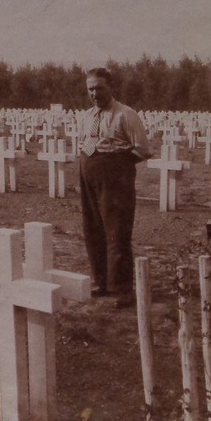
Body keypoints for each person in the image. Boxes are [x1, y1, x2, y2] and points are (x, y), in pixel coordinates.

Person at [75, 67, 150, 307]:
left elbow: (142, 149)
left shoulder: (125, 115)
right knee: (93, 229)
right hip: (89, 175)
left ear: (111, 87)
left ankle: (123, 288)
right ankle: (102, 281)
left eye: (99, 88)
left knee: (117, 232)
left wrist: (114, 164)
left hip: (116, 179)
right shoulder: (86, 116)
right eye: (90, 89)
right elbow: (84, 143)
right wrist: (93, 159)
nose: (94, 94)